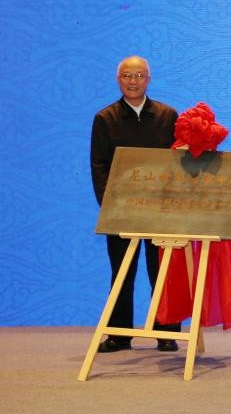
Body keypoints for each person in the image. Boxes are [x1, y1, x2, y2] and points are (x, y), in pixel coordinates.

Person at [89, 55, 182, 352]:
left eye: (139, 75)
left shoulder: (168, 115)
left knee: (163, 272)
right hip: (121, 211)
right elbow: (99, 166)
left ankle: (166, 333)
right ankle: (119, 335)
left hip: (161, 211)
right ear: (118, 80)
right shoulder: (105, 118)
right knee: (121, 273)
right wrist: (110, 205)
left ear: (148, 79)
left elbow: (179, 162)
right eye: (127, 76)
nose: (133, 81)